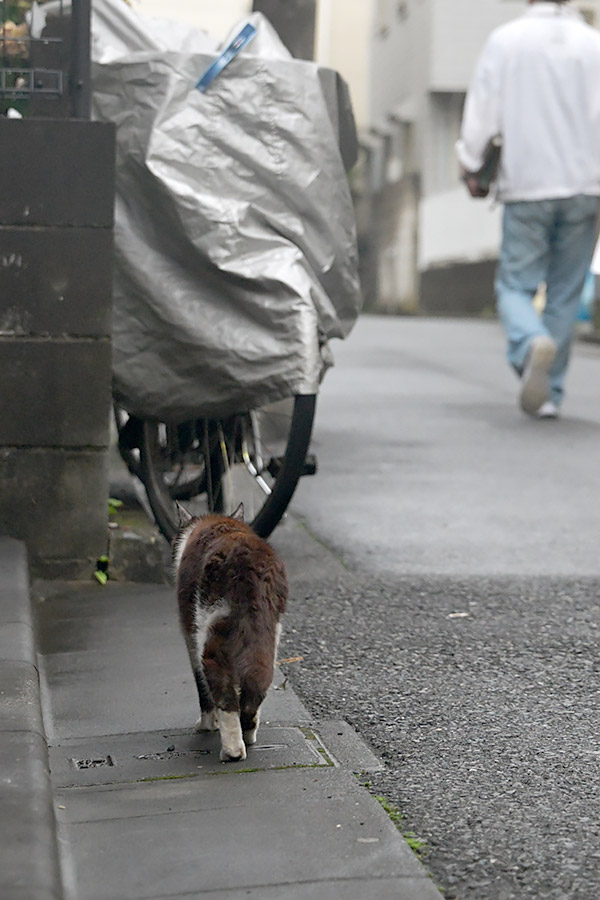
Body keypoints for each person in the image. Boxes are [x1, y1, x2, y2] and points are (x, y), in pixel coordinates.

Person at [457, 0, 600, 419]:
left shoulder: (506, 41)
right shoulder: (594, 43)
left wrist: (471, 162)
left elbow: (482, 111)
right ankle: (549, 393)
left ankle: (528, 345)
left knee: (515, 286)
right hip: (586, 186)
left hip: (527, 184)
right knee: (565, 291)